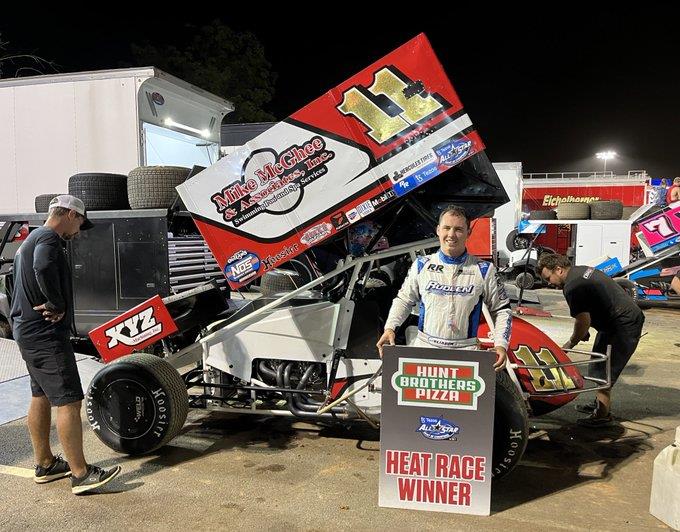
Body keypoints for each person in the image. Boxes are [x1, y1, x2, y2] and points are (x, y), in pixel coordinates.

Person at [10, 195, 121, 495]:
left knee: (41, 395)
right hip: (45, 334)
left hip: (27, 330)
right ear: (71, 215)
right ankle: (81, 474)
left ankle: (45, 464)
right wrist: (56, 302)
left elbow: (16, 279)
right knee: (69, 401)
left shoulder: (31, 238)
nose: (79, 231)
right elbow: (43, 266)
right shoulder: (48, 238)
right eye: (81, 223)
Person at [376, 205, 512, 370]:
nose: (451, 235)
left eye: (458, 229)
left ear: (468, 233)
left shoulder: (484, 269)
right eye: (447, 228)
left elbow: (502, 309)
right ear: (438, 230)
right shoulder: (422, 265)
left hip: (465, 351)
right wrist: (390, 328)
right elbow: (404, 300)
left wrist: (501, 344)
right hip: (426, 349)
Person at [537, 253, 645, 427]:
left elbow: (582, 320)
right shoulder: (580, 271)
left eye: (549, 278)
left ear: (558, 269)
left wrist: (571, 342)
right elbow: (592, 304)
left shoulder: (573, 286)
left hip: (622, 324)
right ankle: (600, 404)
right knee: (597, 364)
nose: (549, 283)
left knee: (603, 369)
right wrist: (585, 329)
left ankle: (602, 416)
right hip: (617, 320)